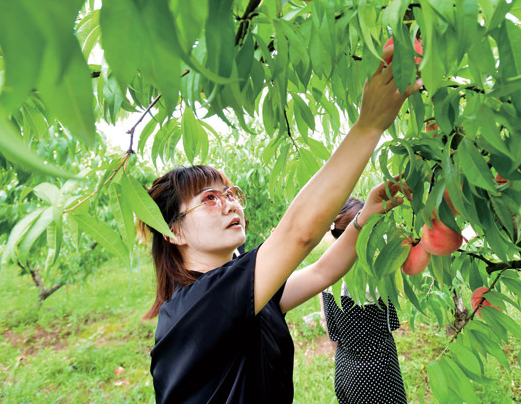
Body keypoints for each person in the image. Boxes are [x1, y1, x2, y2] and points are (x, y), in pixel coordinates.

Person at [138, 46, 421, 404]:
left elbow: (320, 272)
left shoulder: (244, 293)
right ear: (173, 232)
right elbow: (298, 234)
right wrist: (369, 126)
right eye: (209, 198)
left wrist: (364, 218)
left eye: (230, 193)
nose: (229, 203)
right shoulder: (201, 304)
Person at [320, 198, 407, 404]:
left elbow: (329, 325)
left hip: (345, 367)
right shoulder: (374, 274)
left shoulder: (326, 272)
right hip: (377, 368)